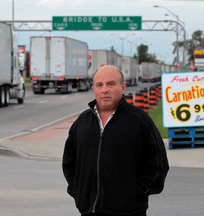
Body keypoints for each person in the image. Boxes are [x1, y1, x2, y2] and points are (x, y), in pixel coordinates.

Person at [62, 65, 169, 216]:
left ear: (123, 87)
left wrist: (135, 195)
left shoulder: (139, 121)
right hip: (89, 210)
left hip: (129, 211)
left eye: (111, 84)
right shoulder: (82, 122)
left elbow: (158, 164)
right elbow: (69, 162)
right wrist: (78, 191)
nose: (104, 89)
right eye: (99, 85)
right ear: (94, 88)